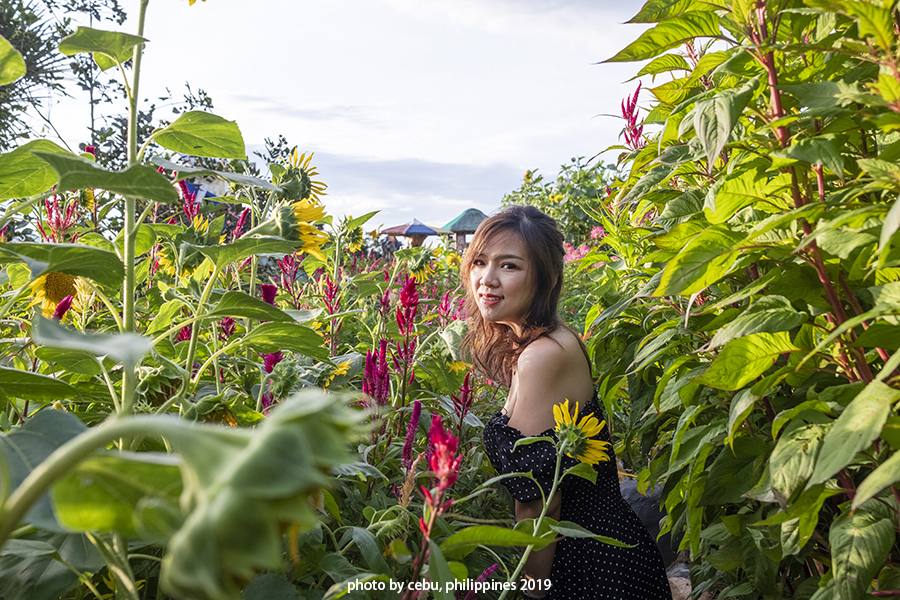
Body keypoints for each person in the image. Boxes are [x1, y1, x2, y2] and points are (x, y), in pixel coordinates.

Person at [462, 205, 671, 599]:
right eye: (480, 262)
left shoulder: (544, 355)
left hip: (587, 569)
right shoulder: (544, 342)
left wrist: (532, 590)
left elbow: (540, 500)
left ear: (546, 276)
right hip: (603, 555)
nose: (486, 279)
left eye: (508, 266)